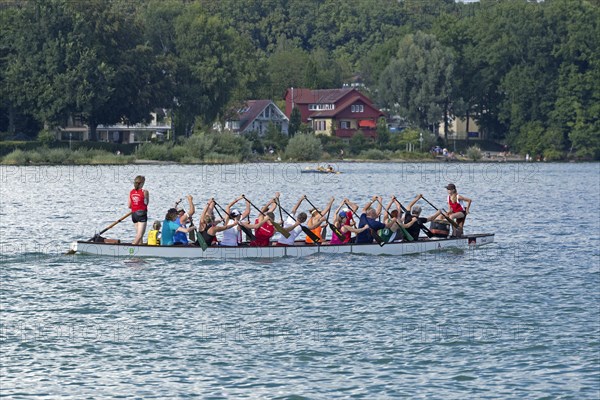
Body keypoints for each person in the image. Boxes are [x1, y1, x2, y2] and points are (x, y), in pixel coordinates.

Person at [128, 175, 149, 245]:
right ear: (142, 183)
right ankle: (131, 249)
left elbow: (129, 205)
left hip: (134, 215)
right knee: (140, 235)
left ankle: (140, 248)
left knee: (139, 235)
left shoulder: (131, 192)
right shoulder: (145, 192)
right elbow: (146, 203)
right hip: (141, 214)